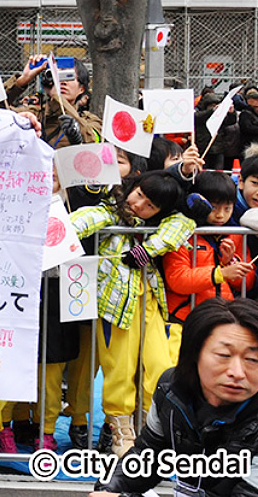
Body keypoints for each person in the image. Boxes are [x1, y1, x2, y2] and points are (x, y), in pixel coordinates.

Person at [70, 171, 193, 455]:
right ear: (132, 187)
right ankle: (121, 433)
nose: (139, 205)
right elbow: (83, 220)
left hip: (150, 303)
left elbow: (183, 223)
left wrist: (147, 250)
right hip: (116, 308)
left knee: (161, 367)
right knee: (120, 370)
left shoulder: (164, 223)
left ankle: (153, 432)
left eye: (150, 204)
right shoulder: (111, 211)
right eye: (139, 194)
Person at [91, 297, 258, 497]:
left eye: (252, 359)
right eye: (223, 355)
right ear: (194, 354)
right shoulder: (170, 391)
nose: (237, 372)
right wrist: (108, 489)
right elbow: (145, 457)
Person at [167, 171, 255, 362]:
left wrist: (231, 263)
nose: (220, 215)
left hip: (221, 318)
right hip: (183, 319)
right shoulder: (181, 233)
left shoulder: (235, 233)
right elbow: (177, 279)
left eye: (227, 208)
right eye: (214, 207)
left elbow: (246, 285)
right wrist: (220, 272)